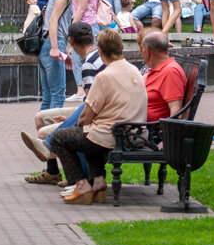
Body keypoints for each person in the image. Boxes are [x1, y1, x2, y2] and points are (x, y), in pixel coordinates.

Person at [49, 28, 147, 205]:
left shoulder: (104, 76)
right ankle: (99, 183)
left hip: (113, 136)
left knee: (59, 137)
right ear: (122, 47)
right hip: (135, 134)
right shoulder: (134, 70)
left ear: (100, 51)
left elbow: (85, 117)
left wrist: (80, 123)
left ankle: (81, 185)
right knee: (90, 133)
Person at [22, 22, 105, 185]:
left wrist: (71, 121)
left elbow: (91, 104)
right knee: (40, 117)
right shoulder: (97, 57)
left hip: (95, 114)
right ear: (92, 38)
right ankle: (52, 172)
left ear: (70, 41)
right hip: (93, 109)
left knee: (43, 132)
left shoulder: (89, 64)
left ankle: (77, 177)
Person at [38, 0, 88, 112]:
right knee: (58, 95)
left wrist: (63, 49)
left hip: (46, 45)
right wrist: (55, 48)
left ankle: (42, 126)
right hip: (52, 45)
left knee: (49, 96)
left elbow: (54, 23)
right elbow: (53, 20)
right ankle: (52, 127)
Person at [68, 0, 101, 99]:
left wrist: (71, 29)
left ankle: (81, 90)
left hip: (85, 24)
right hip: (90, 23)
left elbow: (81, 9)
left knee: (78, 57)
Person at [140, 31, 186, 122]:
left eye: (141, 49)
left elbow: (176, 112)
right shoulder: (158, 69)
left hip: (148, 128)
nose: (140, 52)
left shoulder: (170, 71)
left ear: (147, 50)